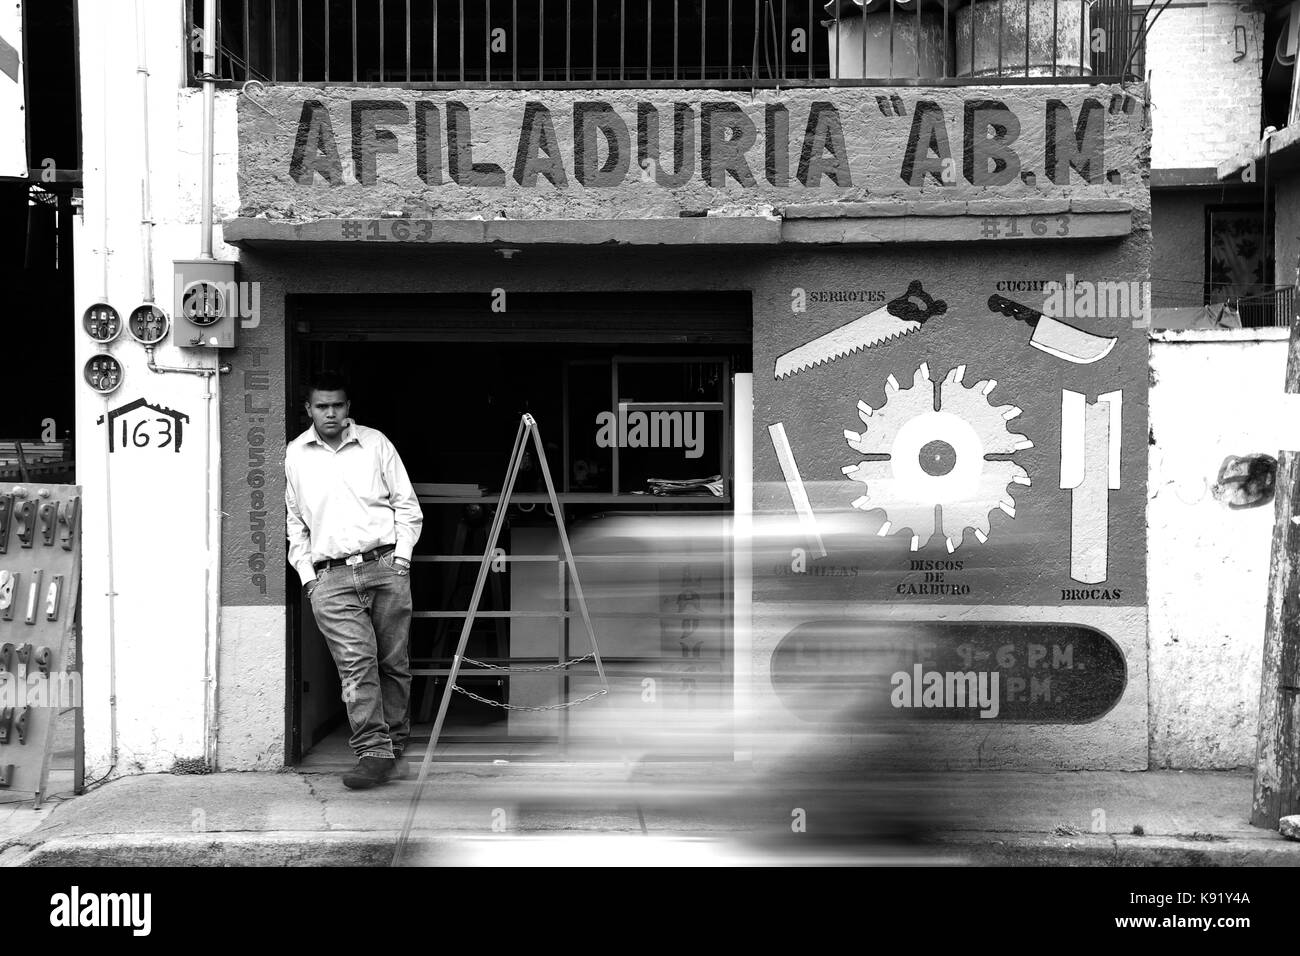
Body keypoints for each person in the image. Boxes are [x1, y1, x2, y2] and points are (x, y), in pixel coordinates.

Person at [285, 370, 424, 789]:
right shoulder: (295, 454)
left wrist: (401, 558)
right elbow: (296, 521)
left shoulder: (376, 443)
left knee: (392, 663)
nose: (331, 413)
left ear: (349, 408)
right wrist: (309, 576)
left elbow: (406, 505)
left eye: (338, 405)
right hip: (331, 577)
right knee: (356, 665)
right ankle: (373, 751)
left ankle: (394, 742)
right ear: (308, 409)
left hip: (385, 567)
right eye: (322, 406)